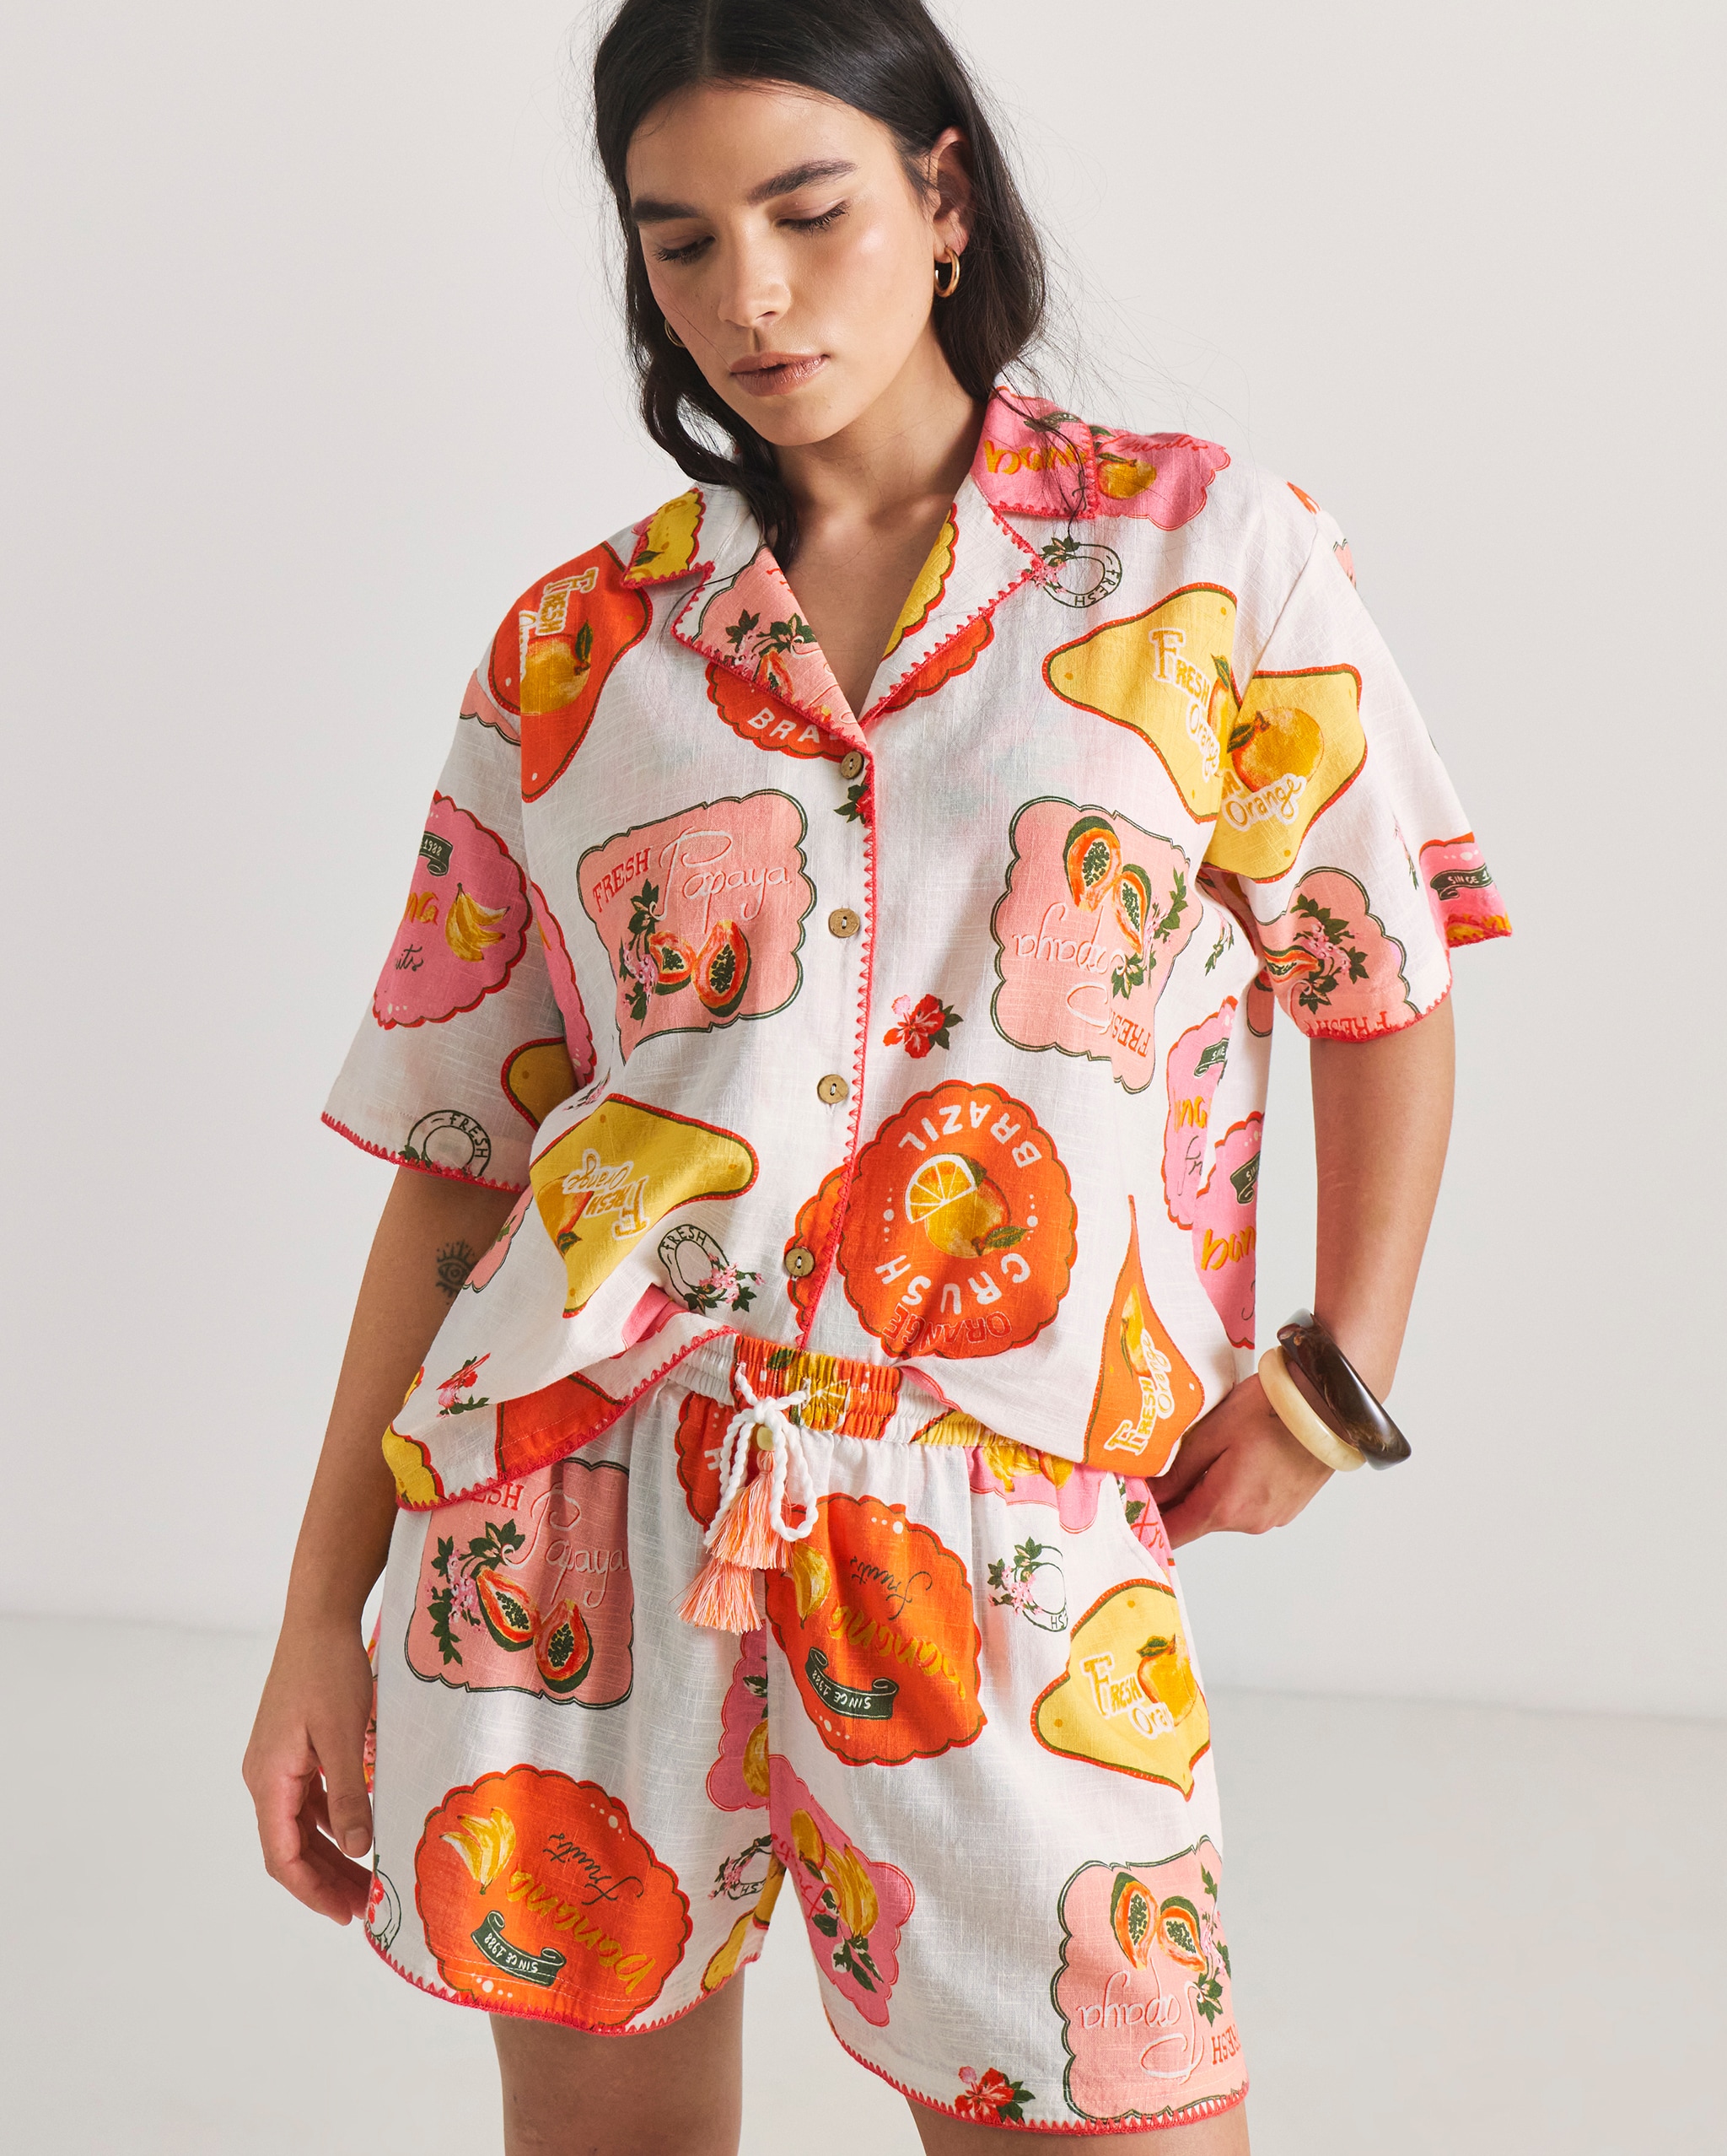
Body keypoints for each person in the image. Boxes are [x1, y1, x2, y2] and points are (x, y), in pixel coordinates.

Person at [244, 3, 1508, 2148]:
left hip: (999, 1528)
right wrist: (315, 1615)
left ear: (940, 198)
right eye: (677, 240)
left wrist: (1338, 1370)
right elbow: (465, 1160)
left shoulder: (1202, 557)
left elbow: (1377, 967)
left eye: (805, 210)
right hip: (572, 1513)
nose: (746, 292)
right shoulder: (575, 650)